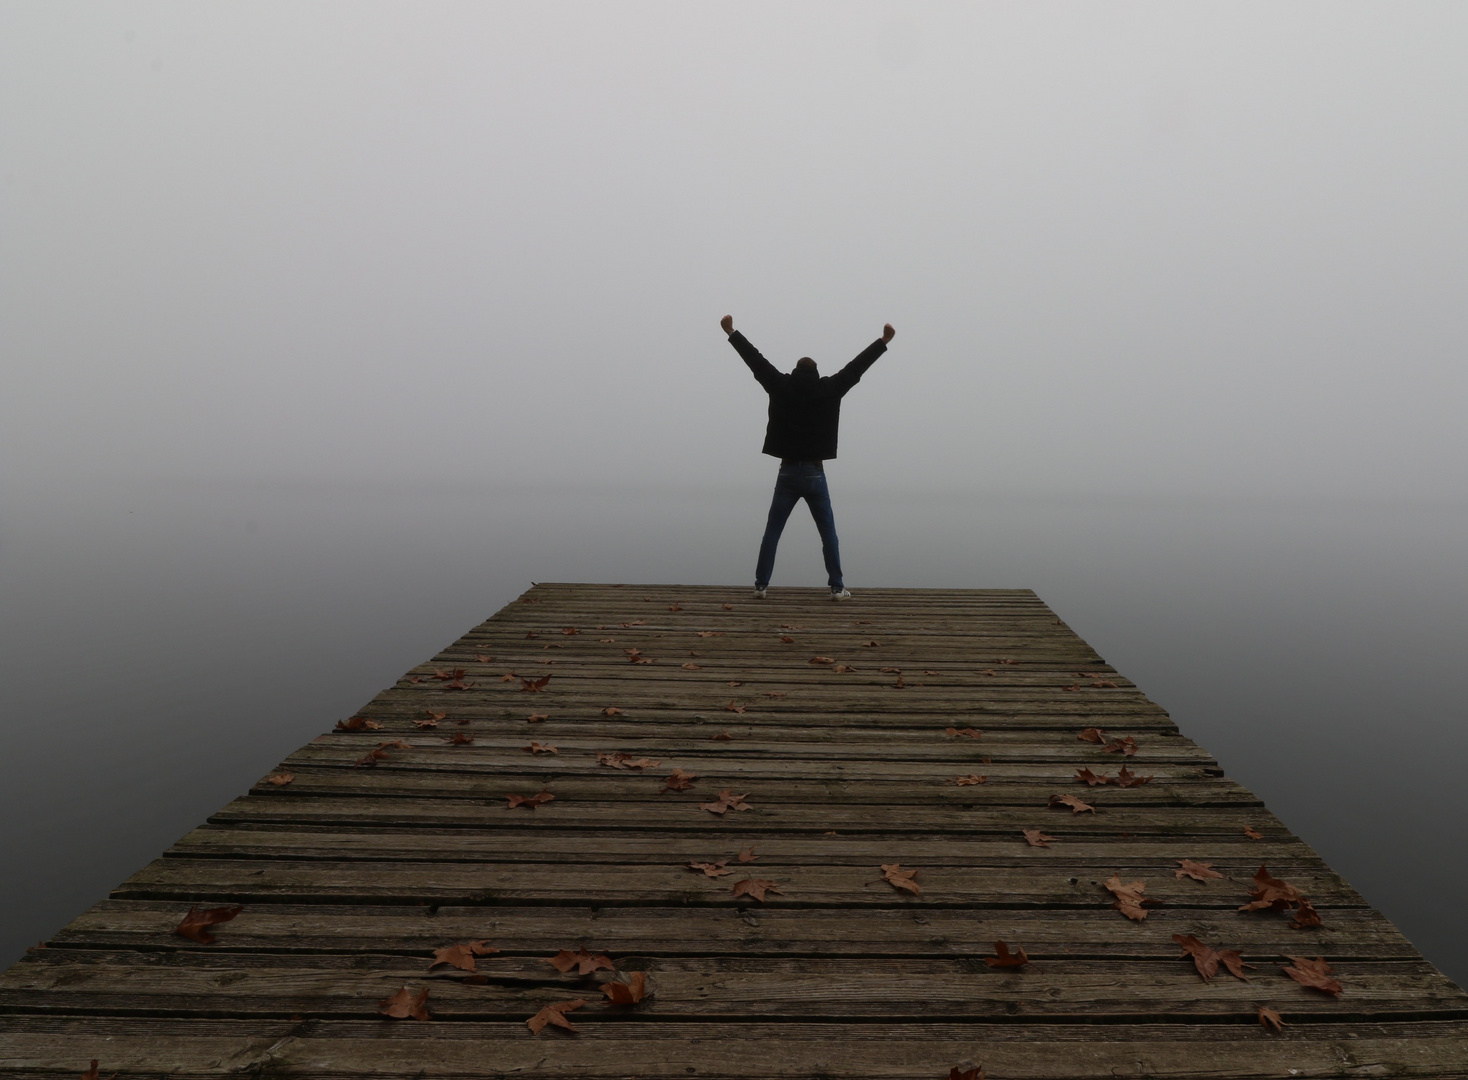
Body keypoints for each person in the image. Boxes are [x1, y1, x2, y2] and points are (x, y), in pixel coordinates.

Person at [720, 314, 896, 600]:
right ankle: (837, 588)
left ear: (795, 371)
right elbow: (856, 368)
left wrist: (731, 332)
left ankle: (760, 586)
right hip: (815, 474)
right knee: (828, 535)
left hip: (787, 473)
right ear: (816, 374)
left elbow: (755, 361)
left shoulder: (780, 386)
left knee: (772, 532)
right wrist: (883, 341)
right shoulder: (829, 389)